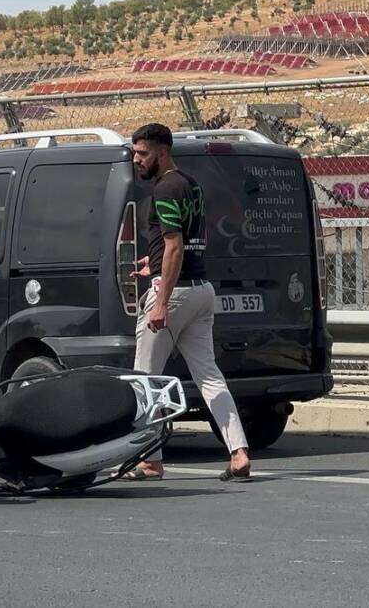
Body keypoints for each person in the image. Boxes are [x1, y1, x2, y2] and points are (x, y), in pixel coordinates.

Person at [125, 123, 251, 482]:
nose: (137, 160)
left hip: (175, 292)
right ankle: (239, 451)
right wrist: (152, 261)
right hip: (200, 290)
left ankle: (150, 460)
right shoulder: (189, 183)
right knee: (209, 376)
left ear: (162, 152)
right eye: (135, 153)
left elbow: (176, 245)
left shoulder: (164, 189)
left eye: (143, 153)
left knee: (146, 379)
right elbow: (185, 241)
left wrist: (161, 300)